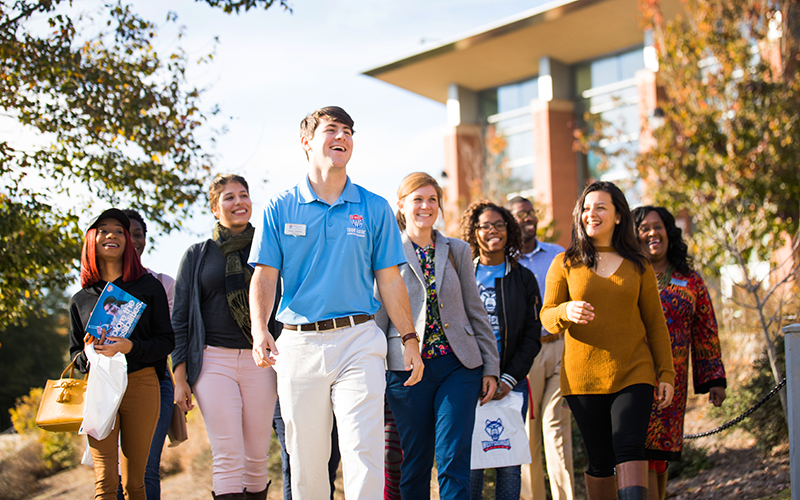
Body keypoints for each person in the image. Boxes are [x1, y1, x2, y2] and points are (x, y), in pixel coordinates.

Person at [248, 106, 424, 500]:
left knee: (364, 449)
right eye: (332, 130)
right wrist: (260, 330)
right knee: (307, 459)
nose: (341, 137)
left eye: (348, 130)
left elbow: (391, 279)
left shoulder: (374, 207)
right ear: (307, 142)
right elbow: (264, 275)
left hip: (359, 340)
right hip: (298, 345)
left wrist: (409, 338)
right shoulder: (279, 207)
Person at [540, 181, 675, 500]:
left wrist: (666, 373)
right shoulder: (565, 263)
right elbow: (546, 317)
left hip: (634, 372)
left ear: (618, 216)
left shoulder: (638, 264)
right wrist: (565, 310)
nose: (592, 214)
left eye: (601, 207)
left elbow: (655, 323)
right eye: (586, 208)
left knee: (629, 446)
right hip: (583, 377)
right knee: (600, 459)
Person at [375, 173, 499, 500]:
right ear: (401, 204)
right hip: (407, 371)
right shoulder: (386, 252)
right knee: (414, 463)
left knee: (453, 457)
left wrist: (490, 367)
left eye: (432, 200)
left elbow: (476, 311)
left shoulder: (457, 250)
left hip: (458, 366)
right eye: (418, 199)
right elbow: (378, 316)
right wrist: (371, 368)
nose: (426, 206)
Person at [172, 174, 278, 500]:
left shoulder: (270, 247)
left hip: (261, 361)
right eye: (229, 197)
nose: (238, 202)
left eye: (243, 195)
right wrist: (179, 379)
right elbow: (180, 320)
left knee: (257, 456)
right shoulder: (198, 255)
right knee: (228, 453)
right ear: (215, 209)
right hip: (213, 361)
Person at [69, 208, 175, 500]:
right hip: (99, 389)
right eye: (103, 230)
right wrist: (89, 352)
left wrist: (130, 347)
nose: (111, 235)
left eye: (119, 230)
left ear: (128, 241)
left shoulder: (149, 288)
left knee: (134, 484)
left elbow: (166, 342)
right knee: (104, 484)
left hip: (141, 385)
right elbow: (75, 356)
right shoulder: (81, 299)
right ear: (92, 240)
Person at [633, 206, 727, 500]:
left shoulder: (691, 280)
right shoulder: (625, 275)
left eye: (657, 226)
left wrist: (714, 378)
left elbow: (705, 330)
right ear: (633, 237)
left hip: (671, 381)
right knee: (633, 452)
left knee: (658, 453)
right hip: (630, 377)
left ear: (669, 232)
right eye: (644, 228)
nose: (652, 233)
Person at [461, 200, 542, 500]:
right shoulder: (461, 274)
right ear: (474, 232)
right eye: (485, 226)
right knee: (470, 463)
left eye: (499, 225)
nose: (493, 231)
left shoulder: (523, 279)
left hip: (511, 382)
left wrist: (508, 378)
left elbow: (532, 337)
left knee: (508, 463)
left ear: (509, 230)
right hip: (467, 382)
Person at [505, 196, 574, 500]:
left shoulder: (559, 255)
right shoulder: (505, 264)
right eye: (520, 215)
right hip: (526, 357)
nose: (528, 218)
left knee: (557, 432)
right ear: (510, 221)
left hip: (560, 349)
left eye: (530, 213)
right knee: (528, 436)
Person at [113, 209, 176, 500]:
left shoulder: (163, 285)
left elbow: (168, 340)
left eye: (138, 234)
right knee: (110, 473)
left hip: (153, 382)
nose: (133, 240)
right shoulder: (97, 287)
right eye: (126, 233)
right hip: (107, 385)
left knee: (145, 470)